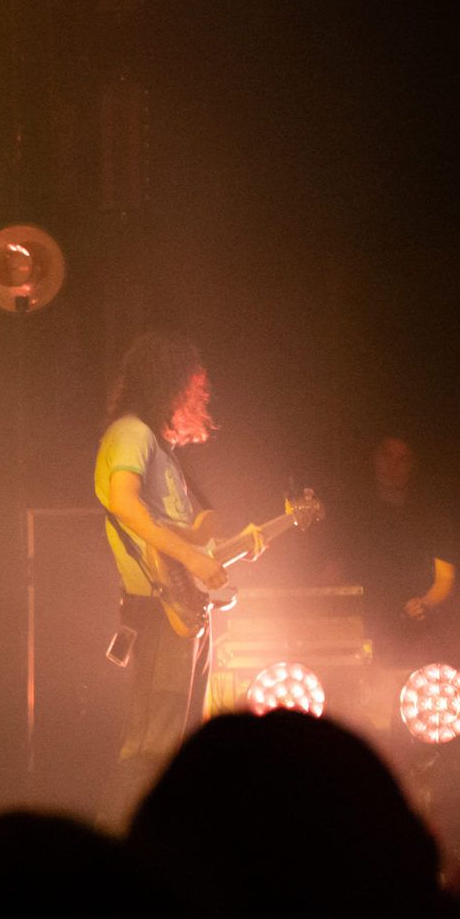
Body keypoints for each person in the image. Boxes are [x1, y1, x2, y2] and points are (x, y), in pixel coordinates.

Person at [93, 332, 261, 809]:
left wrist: (217, 552)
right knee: (151, 747)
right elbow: (124, 504)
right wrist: (191, 558)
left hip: (181, 611)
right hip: (157, 611)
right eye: (195, 383)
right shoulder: (132, 432)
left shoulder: (163, 451)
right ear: (167, 384)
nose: (203, 392)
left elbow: (176, 539)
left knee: (174, 749)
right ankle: (117, 857)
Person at [340, 433, 458, 654]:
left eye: (402, 459)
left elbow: (445, 577)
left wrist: (423, 604)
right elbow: (335, 575)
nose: (393, 465)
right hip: (361, 627)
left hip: (414, 634)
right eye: (386, 455)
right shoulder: (352, 513)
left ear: (412, 465)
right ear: (374, 458)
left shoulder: (432, 516)